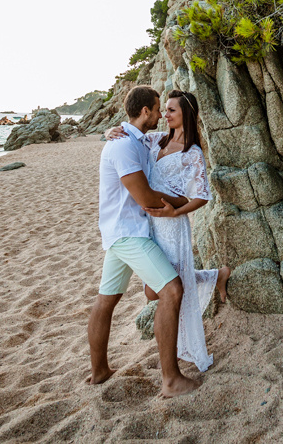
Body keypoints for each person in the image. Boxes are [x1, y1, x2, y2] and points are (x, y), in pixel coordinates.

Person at [87, 85, 199, 398]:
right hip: (129, 233)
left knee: (106, 300)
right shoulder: (123, 147)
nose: (162, 114)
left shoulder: (135, 139)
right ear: (146, 111)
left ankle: (99, 373)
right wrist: (179, 201)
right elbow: (146, 198)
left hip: (120, 232)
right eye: (158, 108)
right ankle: (170, 380)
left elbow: (163, 146)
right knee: (172, 290)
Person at [106, 89, 230, 372]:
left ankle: (215, 277)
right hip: (150, 226)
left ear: (185, 113)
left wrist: (177, 211)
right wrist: (110, 130)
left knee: (159, 289)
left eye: (171, 110)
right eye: (164, 110)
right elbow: (131, 134)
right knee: (155, 290)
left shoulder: (192, 152)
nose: (165, 115)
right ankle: (215, 275)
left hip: (173, 225)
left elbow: (201, 196)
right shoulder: (156, 139)